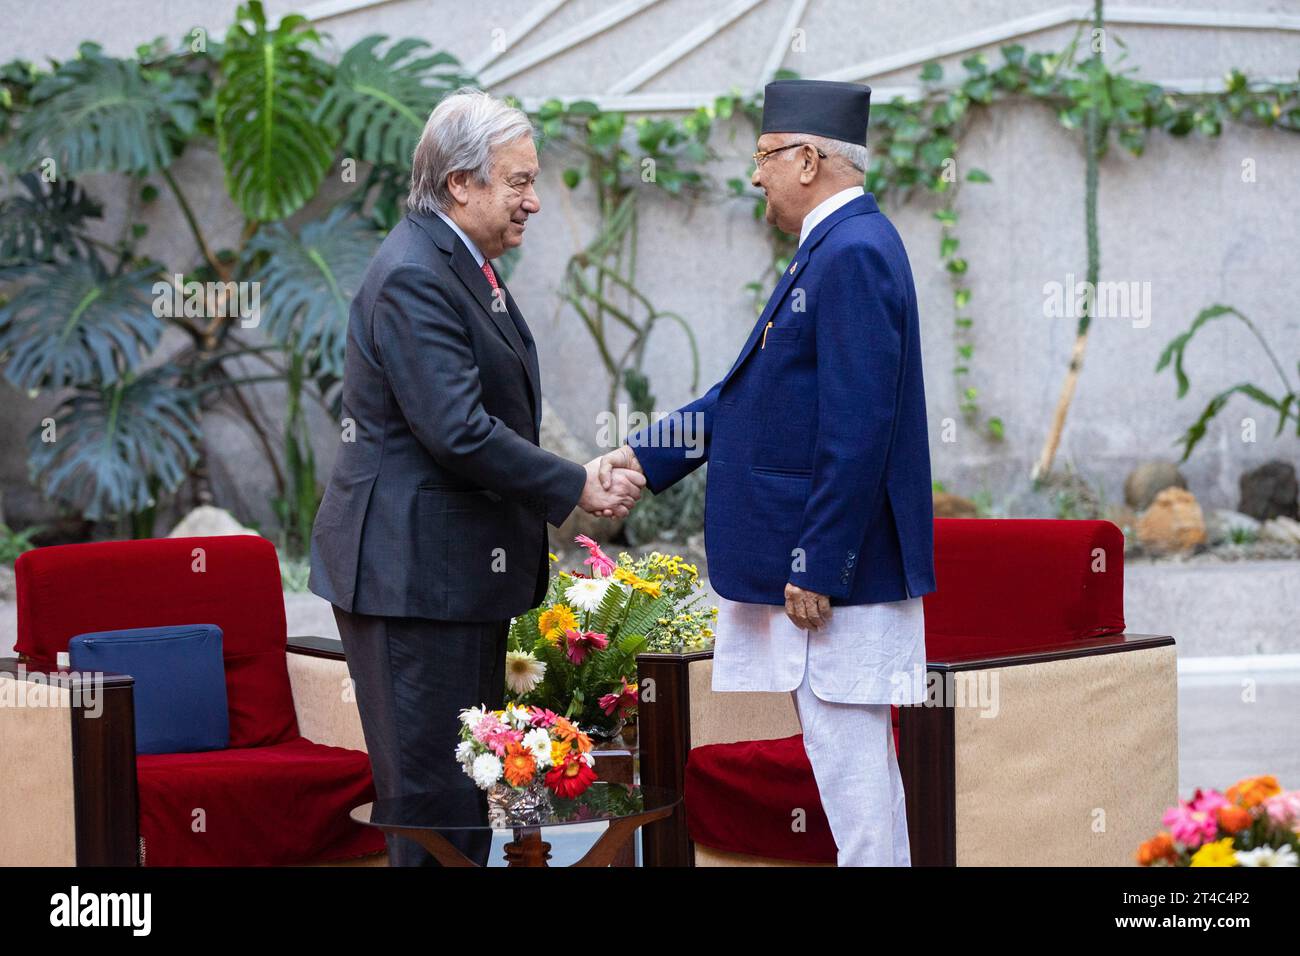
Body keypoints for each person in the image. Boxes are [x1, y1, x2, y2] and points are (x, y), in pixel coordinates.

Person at [602, 79, 937, 866]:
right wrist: (642, 460)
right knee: (854, 780)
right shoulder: (837, 246)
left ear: (809, 159)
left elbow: (859, 426)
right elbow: (748, 397)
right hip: (821, 565)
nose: (756, 176)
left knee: (854, 785)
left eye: (764, 156)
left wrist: (818, 560)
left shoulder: (853, 251)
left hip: (832, 576)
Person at [308, 88, 645, 866]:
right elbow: (457, 430)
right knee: (434, 815)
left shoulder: (461, 261)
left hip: (449, 579)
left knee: (464, 801)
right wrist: (574, 486)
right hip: (410, 584)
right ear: (461, 182)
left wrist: (572, 475)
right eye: (518, 181)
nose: (533, 200)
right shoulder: (415, 273)